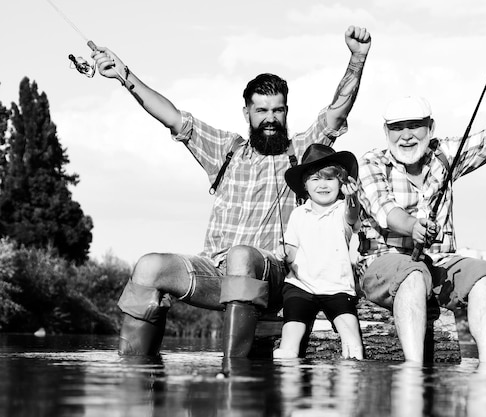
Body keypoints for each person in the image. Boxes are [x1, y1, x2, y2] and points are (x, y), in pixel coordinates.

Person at [90, 26, 371, 358]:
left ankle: (232, 373)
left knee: (241, 254)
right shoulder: (226, 150)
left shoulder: (300, 153)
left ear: (286, 112)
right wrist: (125, 75)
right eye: (261, 110)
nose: (270, 118)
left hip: (271, 275)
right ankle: (135, 376)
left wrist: (357, 58)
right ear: (247, 113)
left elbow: (337, 112)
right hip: (215, 273)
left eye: (278, 110)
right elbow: (171, 116)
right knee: (148, 266)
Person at [357, 39, 486, 364]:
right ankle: (413, 373)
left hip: (438, 263)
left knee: (484, 275)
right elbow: (387, 212)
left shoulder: (445, 155)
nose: (406, 135)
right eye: (396, 128)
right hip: (383, 263)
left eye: (414, 126)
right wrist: (413, 227)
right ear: (385, 132)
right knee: (412, 275)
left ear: (430, 128)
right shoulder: (372, 162)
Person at [273, 144, 363, 360]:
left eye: (329, 178)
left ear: (341, 182)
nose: (322, 184)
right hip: (300, 285)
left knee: (351, 337)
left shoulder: (342, 209)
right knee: (292, 329)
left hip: (338, 287)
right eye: (315, 179)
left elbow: (353, 214)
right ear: (305, 184)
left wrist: (352, 198)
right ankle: (288, 360)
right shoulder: (298, 214)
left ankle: (351, 371)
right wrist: (284, 251)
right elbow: (292, 251)